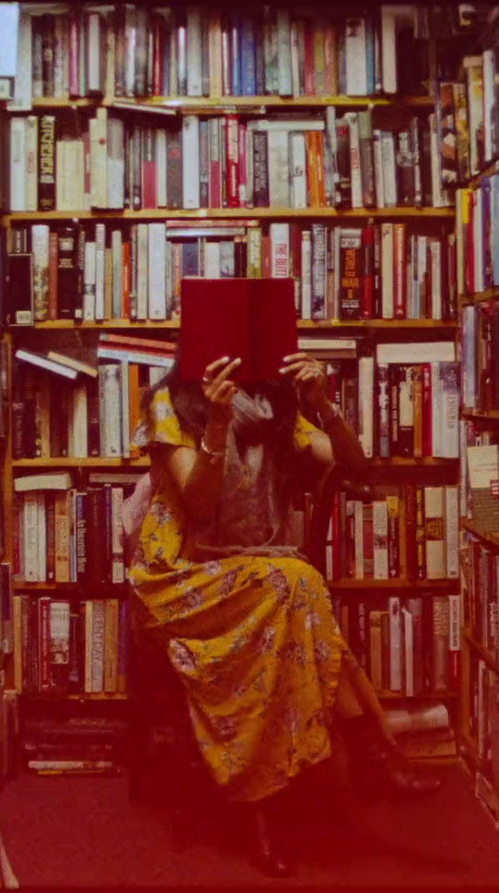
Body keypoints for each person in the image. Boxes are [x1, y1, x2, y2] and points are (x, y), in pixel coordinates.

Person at [127, 351, 442, 877]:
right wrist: (219, 423)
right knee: (296, 582)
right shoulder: (170, 403)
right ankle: (370, 753)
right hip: (181, 578)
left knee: (288, 596)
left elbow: (356, 466)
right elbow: (199, 506)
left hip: (260, 578)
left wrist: (323, 406)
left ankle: (264, 813)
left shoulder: (276, 406)